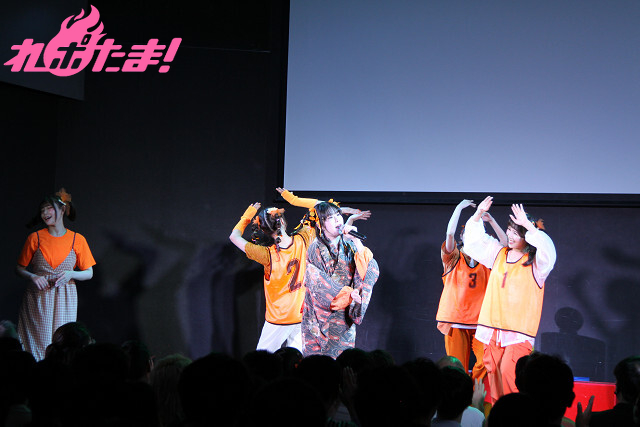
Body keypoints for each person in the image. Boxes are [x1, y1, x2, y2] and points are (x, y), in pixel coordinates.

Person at [229, 188, 368, 353]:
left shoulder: (266, 254)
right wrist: (292, 199)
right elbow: (320, 207)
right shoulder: (304, 237)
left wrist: (247, 216)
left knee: (262, 361)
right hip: (302, 315)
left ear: (264, 230)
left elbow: (234, 237)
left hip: (279, 319)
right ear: (283, 223)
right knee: (297, 360)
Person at [462, 196, 556, 404]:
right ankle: (500, 415)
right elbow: (473, 243)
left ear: (527, 237)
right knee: (494, 375)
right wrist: (478, 214)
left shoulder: (535, 264)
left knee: (509, 374)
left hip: (517, 332)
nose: (511, 236)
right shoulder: (499, 253)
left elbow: (549, 252)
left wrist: (529, 226)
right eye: (510, 231)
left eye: (516, 232)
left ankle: (517, 415)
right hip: (493, 329)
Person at [15, 189, 95, 361]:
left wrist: (71, 274)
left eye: (49, 208)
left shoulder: (77, 239)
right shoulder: (35, 238)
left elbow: (89, 273)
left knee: (64, 339)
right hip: (39, 296)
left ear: (62, 209)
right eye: (42, 210)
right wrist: (33, 276)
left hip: (65, 296)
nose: (45, 213)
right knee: (37, 341)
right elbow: (19, 268)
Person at [436, 199, 506, 384]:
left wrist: (492, 222)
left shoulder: (488, 259)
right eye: (469, 234)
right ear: (464, 238)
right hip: (456, 320)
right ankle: (460, 395)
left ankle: (472, 393)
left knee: (486, 361)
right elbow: (449, 233)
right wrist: (459, 207)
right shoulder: (453, 258)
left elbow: (505, 244)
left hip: (481, 322)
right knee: (455, 368)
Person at [302, 201, 379, 358]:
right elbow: (318, 284)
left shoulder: (349, 245)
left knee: (344, 362)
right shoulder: (315, 248)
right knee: (318, 365)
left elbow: (369, 267)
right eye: (330, 217)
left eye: (338, 215)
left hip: (345, 317)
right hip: (320, 318)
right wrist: (348, 294)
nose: (338, 219)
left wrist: (356, 240)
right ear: (320, 224)